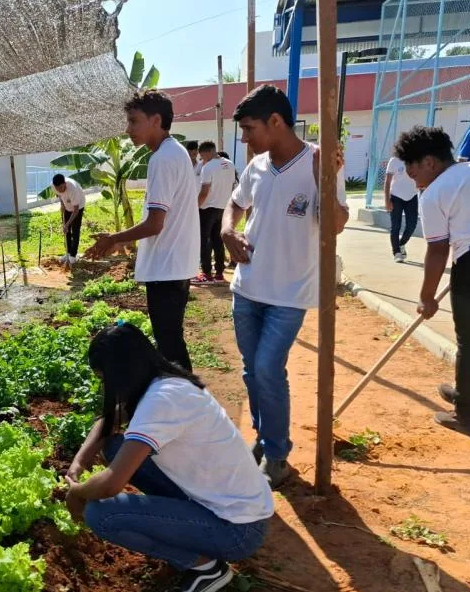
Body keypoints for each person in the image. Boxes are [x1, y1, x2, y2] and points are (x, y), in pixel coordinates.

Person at [65, 323, 274, 592]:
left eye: (105, 380)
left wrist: (78, 492)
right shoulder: (166, 381)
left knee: (101, 514)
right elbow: (109, 421)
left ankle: (206, 569)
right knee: (115, 447)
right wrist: (79, 462)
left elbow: (112, 484)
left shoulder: (161, 402)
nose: (106, 388)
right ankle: (178, 528)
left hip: (237, 531)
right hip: (229, 505)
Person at [222, 84, 349, 487]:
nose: (244, 138)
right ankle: (264, 438)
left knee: (267, 368)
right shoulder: (257, 165)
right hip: (247, 287)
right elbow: (236, 203)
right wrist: (228, 231)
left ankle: (277, 454)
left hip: (289, 294)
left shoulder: (320, 161)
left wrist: (322, 178)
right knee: (250, 371)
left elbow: (337, 224)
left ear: (275, 122)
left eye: (249, 128)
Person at [85, 90, 199, 371]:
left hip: (167, 268)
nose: (128, 130)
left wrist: (114, 238)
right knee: (170, 341)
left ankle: (186, 402)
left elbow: (154, 223)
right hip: (175, 265)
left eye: (134, 121)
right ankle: (182, 400)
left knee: (170, 343)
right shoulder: (175, 152)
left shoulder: (163, 158)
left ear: (156, 120)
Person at [393, 125, 470, 434]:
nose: (414, 180)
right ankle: (468, 391)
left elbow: (437, 250)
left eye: (413, 173)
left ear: (429, 162)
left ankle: (467, 412)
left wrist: (427, 297)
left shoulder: (435, 192)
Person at [194, 140, 234, 285]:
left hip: (207, 208)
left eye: (202, 156)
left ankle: (206, 273)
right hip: (223, 207)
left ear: (207, 152)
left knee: (204, 241)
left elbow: (204, 192)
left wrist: (195, 207)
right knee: (218, 241)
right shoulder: (229, 164)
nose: (202, 159)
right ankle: (219, 273)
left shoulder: (208, 167)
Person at [383, 152, 419, 262]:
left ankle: (401, 243)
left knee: (412, 225)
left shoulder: (417, 159)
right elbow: (387, 181)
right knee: (396, 226)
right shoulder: (394, 160)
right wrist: (387, 200)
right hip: (396, 197)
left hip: (412, 196)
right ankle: (396, 252)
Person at [52, 173, 86, 265]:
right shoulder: (54, 186)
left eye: (61, 188)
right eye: (57, 189)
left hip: (78, 207)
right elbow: (58, 195)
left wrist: (67, 224)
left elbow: (75, 210)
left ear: (64, 184)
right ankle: (67, 252)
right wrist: (62, 204)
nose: (60, 190)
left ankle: (73, 256)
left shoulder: (73, 189)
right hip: (67, 206)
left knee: (75, 230)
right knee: (66, 230)